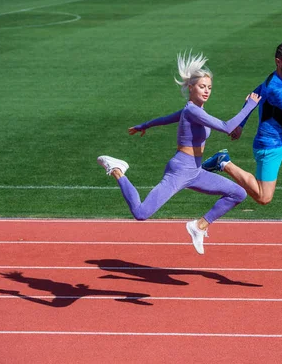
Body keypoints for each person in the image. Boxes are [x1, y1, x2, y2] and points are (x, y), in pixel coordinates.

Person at [97, 51, 261, 255]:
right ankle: (118, 170)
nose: (207, 91)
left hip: (196, 172)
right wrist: (250, 106)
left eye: (209, 87)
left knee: (238, 193)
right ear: (191, 87)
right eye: (202, 87)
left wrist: (144, 125)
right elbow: (227, 126)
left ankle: (199, 226)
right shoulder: (192, 110)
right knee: (141, 213)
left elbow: (167, 118)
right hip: (179, 171)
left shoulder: (196, 112)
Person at [202, 42, 282, 235]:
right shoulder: (276, 89)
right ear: (278, 62)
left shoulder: (274, 80)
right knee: (264, 198)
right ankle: (224, 163)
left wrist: (241, 124)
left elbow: (254, 95)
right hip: (269, 147)